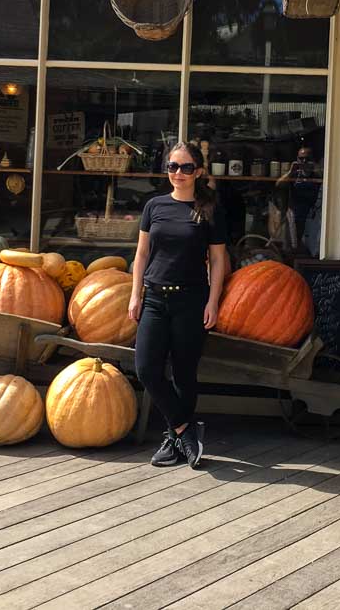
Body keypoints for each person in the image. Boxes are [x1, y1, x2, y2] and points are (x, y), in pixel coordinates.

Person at [129, 141, 229, 469]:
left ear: (198, 172)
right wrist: (136, 294)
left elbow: (217, 260)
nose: (178, 173)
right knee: (146, 368)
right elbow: (142, 254)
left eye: (186, 168)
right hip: (155, 298)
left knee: (184, 373)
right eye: (173, 166)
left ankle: (173, 441)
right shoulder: (154, 206)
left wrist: (213, 301)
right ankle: (185, 430)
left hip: (191, 300)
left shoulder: (209, 210)